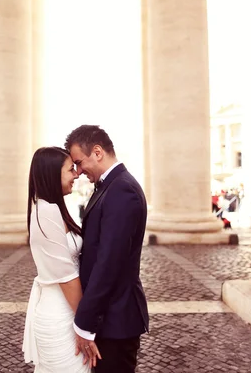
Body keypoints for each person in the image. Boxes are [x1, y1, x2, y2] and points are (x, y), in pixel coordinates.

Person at [65, 125, 149, 372]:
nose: (78, 172)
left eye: (79, 163)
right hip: (109, 318)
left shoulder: (121, 190)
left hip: (116, 320)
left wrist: (84, 321)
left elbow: (108, 263)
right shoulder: (111, 186)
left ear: (98, 152)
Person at [22, 147, 99, 371]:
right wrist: (86, 327)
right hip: (60, 315)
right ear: (51, 174)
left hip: (63, 309)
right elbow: (66, 277)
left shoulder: (50, 208)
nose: (76, 174)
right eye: (70, 170)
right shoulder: (47, 212)